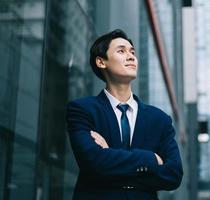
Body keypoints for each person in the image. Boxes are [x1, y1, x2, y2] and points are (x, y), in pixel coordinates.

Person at [66, 29, 183, 200]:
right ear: (101, 62)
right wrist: (150, 158)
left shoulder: (159, 119)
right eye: (121, 51)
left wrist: (109, 155)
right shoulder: (82, 110)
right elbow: (94, 163)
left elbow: (173, 175)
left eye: (132, 52)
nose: (131, 57)